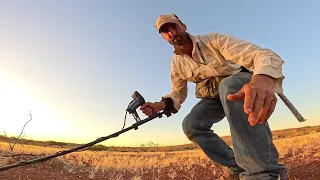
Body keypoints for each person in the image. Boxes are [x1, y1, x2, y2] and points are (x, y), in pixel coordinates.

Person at [140, 13, 288, 180]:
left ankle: (264, 172)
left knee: (228, 85)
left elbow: (260, 55)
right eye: (165, 31)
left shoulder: (213, 40)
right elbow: (178, 93)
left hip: (239, 85)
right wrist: (158, 105)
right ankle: (236, 166)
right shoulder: (176, 63)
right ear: (163, 37)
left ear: (184, 26)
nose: (172, 32)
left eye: (174, 26)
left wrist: (263, 80)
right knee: (191, 125)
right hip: (213, 96)